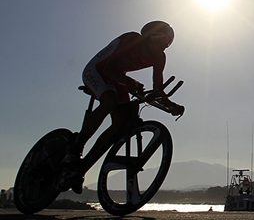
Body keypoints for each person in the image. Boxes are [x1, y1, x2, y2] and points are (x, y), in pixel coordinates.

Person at [66, 20, 184, 193]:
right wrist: (132, 83)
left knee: (121, 123)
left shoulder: (160, 57)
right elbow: (108, 67)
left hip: (116, 76)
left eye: (166, 46)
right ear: (151, 37)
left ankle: (82, 167)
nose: (163, 50)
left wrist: (171, 105)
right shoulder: (131, 40)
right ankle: (77, 145)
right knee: (110, 102)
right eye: (162, 43)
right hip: (97, 71)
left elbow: (158, 87)